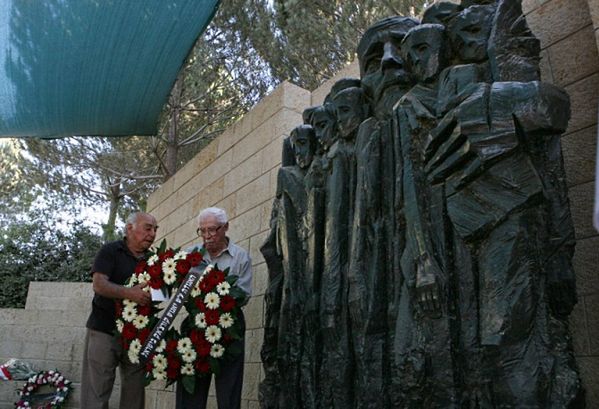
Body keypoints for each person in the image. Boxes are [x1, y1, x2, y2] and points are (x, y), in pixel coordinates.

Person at [81, 212, 158, 409]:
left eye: (155, 229)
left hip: (137, 335)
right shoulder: (110, 250)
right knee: (96, 392)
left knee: (135, 393)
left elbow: (158, 296)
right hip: (104, 331)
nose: (152, 233)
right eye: (148, 228)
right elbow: (99, 284)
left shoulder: (154, 260)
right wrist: (129, 293)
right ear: (129, 228)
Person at [177, 207, 252, 409]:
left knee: (229, 390)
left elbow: (243, 295)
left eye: (213, 230)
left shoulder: (240, 257)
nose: (207, 237)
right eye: (202, 231)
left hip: (230, 325)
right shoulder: (190, 255)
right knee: (191, 390)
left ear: (225, 227)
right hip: (195, 324)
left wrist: (217, 301)